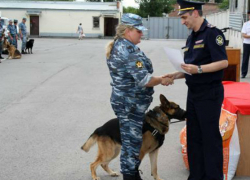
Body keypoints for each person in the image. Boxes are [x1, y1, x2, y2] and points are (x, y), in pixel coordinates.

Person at [165, 1, 228, 180]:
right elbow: (189, 68)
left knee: (210, 139)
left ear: (194, 13)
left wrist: (199, 69)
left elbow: (223, 62)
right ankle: (197, 176)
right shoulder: (191, 36)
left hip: (209, 93)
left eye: (184, 17)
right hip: (193, 94)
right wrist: (176, 74)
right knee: (194, 137)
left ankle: (213, 177)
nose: (182, 22)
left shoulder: (212, 33)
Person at [106, 13, 173, 180]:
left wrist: (158, 78)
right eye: (139, 31)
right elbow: (145, 80)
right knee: (132, 143)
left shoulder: (123, 45)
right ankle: (130, 176)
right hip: (129, 104)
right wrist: (162, 80)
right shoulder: (127, 49)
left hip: (129, 103)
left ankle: (132, 173)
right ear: (128, 31)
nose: (142, 34)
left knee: (132, 141)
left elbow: (140, 75)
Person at [241, 10, 250, 78]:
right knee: (245, 58)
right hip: (247, 43)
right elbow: (244, 35)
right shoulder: (246, 24)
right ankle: (243, 73)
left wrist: (248, 35)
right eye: (249, 15)